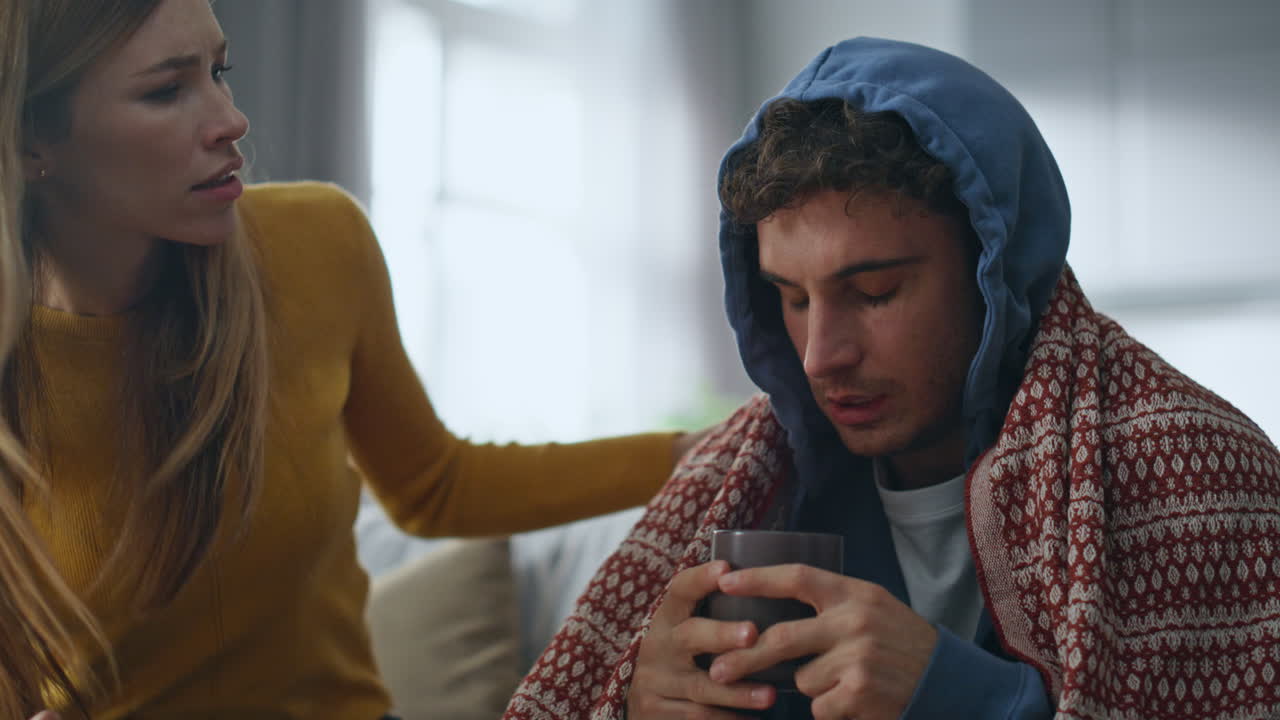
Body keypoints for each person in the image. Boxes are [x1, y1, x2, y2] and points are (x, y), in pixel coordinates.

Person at [504, 37, 1280, 720]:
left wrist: (968, 700)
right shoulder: (745, 479)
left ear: (995, 274)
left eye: (874, 292)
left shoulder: (1199, 475)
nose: (819, 358)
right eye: (793, 300)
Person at [0, 0, 715, 717]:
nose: (229, 119)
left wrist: (689, 454)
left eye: (220, 72)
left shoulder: (317, 242)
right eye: (166, 90)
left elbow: (437, 484)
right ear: (32, 136)